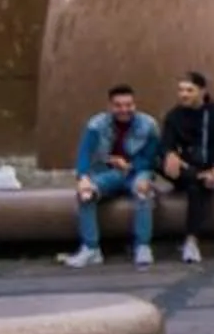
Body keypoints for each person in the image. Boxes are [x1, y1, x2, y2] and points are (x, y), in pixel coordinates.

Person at [61, 84, 162, 268]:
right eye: (118, 105)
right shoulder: (96, 125)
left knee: (143, 191)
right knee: (86, 195)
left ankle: (143, 246)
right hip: (107, 174)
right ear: (109, 106)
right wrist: (83, 178)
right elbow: (84, 153)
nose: (124, 110)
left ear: (135, 104)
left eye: (129, 105)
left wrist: (130, 165)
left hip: (137, 173)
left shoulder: (149, 125)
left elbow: (152, 158)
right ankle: (91, 249)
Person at [155, 70, 214, 265]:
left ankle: (191, 241)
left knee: (195, 188)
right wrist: (170, 154)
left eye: (189, 90)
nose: (183, 95)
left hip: (212, 167)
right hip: (186, 170)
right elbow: (166, 143)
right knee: (158, 162)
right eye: (180, 90)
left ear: (202, 91)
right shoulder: (173, 116)